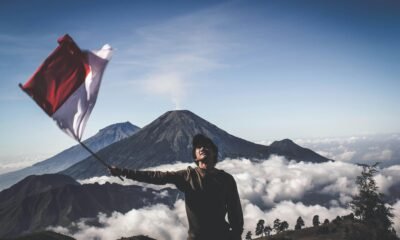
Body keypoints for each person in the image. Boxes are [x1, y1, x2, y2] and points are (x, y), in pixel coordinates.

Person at [109, 134, 244, 240]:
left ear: (215, 153)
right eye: (198, 147)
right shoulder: (188, 176)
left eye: (206, 145)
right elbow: (156, 176)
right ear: (195, 157)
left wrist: (236, 235)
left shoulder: (226, 179)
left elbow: (235, 211)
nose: (202, 148)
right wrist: (124, 172)